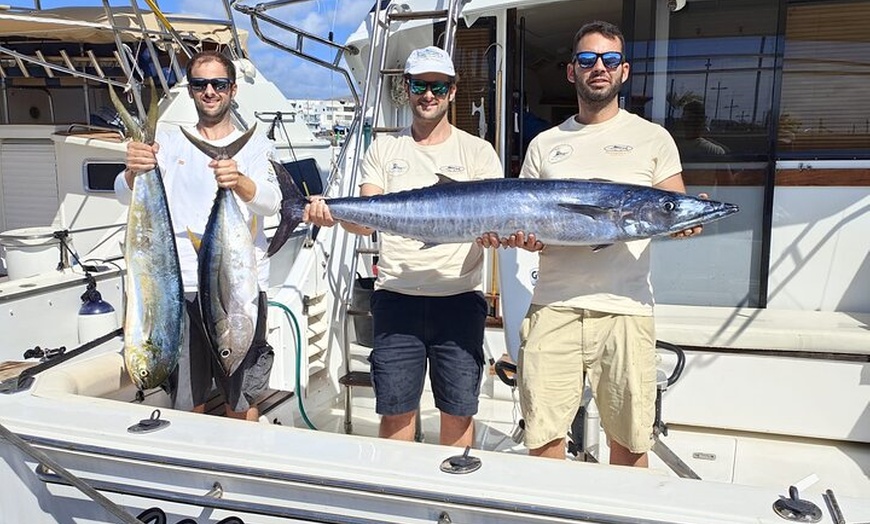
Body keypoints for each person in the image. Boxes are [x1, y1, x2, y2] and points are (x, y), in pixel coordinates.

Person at [480, 21, 703, 467]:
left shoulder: (653, 139)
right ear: (571, 72)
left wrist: (687, 220)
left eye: (609, 59)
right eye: (587, 59)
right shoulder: (546, 144)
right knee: (542, 440)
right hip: (553, 307)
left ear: (624, 71)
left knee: (630, 444)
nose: (598, 67)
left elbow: (673, 208)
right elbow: (529, 230)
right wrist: (520, 240)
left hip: (626, 308)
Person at [305, 46, 502, 447]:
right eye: (419, 85)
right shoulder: (384, 149)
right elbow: (363, 225)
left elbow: (493, 227)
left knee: (459, 413)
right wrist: (333, 214)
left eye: (437, 86)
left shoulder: (478, 152)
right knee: (394, 414)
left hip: (459, 299)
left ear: (452, 91)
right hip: (396, 299)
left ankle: (451, 500)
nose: (428, 94)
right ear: (406, 89)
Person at [115, 50, 281, 421]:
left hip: (238, 290)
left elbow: (271, 204)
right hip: (181, 288)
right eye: (200, 84)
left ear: (233, 89)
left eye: (218, 84)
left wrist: (238, 182)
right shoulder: (171, 144)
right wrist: (132, 170)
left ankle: (241, 470)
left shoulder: (256, 146)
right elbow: (124, 194)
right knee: (188, 402)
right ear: (190, 91)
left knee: (241, 401)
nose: (210, 91)